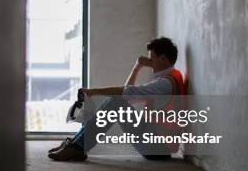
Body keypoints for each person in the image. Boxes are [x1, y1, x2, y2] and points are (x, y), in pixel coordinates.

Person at [48, 37, 186, 161]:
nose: (149, 62)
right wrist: (137, 67)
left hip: (158, 148)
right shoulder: (172, 76)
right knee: (118, 102)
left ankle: (77, 147)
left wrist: (93, 92)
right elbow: (128, 94)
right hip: (158, 143)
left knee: (116, 103)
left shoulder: (164, 84)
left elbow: (126, 92)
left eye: (152, 59)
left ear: (163, 59)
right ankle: (75, 143)